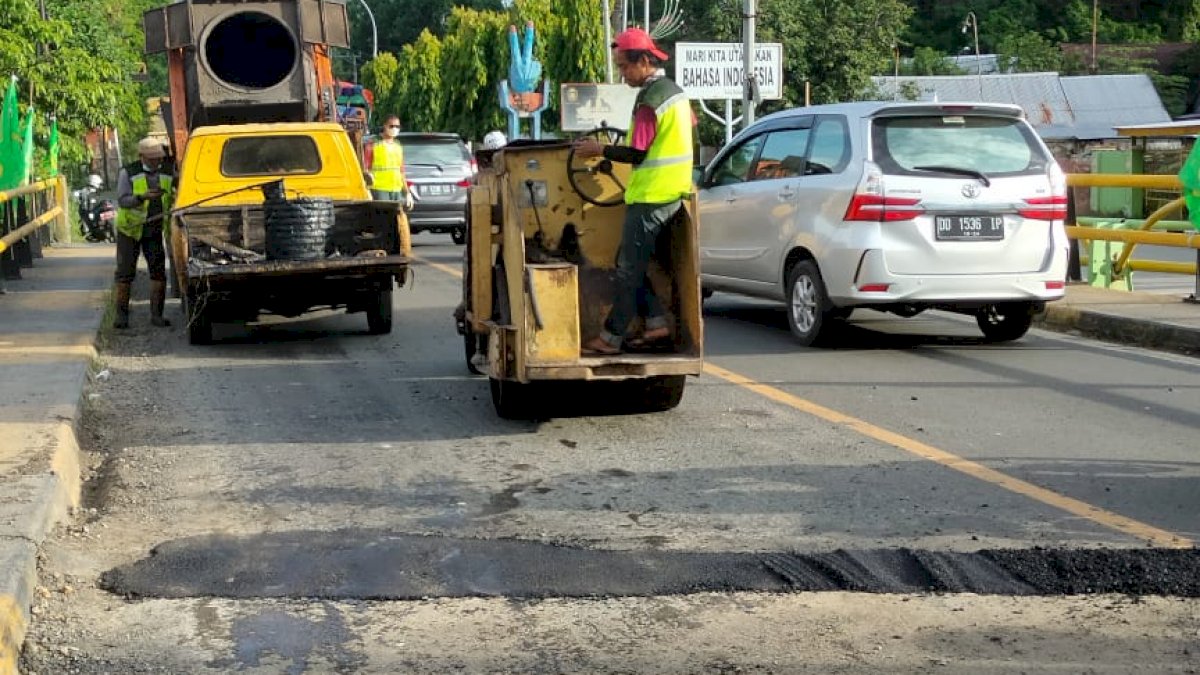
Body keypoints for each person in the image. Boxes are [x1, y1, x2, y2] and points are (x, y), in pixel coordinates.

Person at [572, 27, 694, 355]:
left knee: (626, 269)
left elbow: (637, 152)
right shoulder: (674, 92)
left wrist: (599, 150)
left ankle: (610, 337)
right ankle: (656, 324)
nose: (623, 74)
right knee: (633, 264)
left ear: (643, 61)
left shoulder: (649, 101)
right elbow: (686, 130)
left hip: (651, 195)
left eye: (625, 66)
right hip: (673, 192)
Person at [113, 137, 174, 329]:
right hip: (129, 230)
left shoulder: (167, 171)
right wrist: (141, 198)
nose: (157, 161)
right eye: (152, 158)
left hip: (154, 229)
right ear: (142, 157)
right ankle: (121, 317)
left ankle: (157, 316)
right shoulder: (128, 173)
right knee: (125, 274)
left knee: (158, 274)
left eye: (158, 158)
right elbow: (123, 201)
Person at [366, 114, 414, 210]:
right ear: (385, 126)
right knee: (382, 219)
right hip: (379, 189)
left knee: (395, 219)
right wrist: (366, 190)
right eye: (391, 126)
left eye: (397, 126)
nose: (394, 129)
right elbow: (365, 168)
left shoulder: (398, 146)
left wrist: (407, 193)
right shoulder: (373, 143)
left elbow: (401, 172)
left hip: (396, 190)